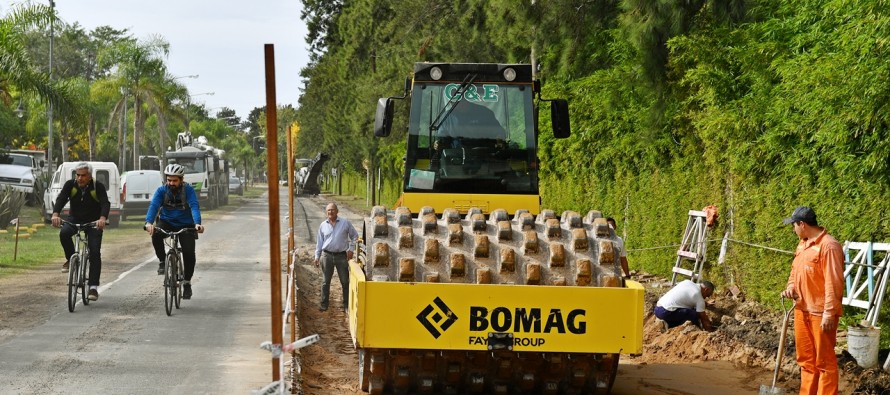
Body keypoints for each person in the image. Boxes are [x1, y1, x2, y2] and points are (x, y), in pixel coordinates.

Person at [780, 206, 844, 395]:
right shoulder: (802, 244)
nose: (793, 229)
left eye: (794, 225)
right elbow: (795, 272)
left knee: (824, 363)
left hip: (820, 313)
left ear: (802, 224)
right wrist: (791, 287)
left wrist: (829, 313)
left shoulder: (829, 246)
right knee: (806, 361)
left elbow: (834, 282)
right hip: (801, 310)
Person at [144, 164, 205, 300]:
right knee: (155, 234)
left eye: (174, 180)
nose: (171, 183)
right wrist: (148, 222)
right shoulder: (161, 191)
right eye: (169, 180)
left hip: (186, 224)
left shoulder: (188, 190)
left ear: (181, 179)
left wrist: (197, 223)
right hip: (167, 222)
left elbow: (194, 206)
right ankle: (162, 261)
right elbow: (154, 206)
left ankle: (187, 282)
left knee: (189, 252)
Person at [52, 162, 110, 301]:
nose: (80, 178)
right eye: (78, 175)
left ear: (89, 176)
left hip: (93, 222)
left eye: (83, 175)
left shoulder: (97, 186)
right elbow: (61, 199)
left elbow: (104, 203)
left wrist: (102, 218)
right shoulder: (70, 185)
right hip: (74, 219)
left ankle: (93, 287)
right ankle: (71, 259)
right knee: (64, 233)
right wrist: (55, 214)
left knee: (95, 251)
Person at [314, 202, 358, 312]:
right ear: (326, 212)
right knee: (325, 282)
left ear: (337, 211)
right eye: (328, 210)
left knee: (345, 281)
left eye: (333, 210)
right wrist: (317, 256)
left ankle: (346, 305)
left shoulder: (345, 223)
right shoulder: (323, 225)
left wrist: (351, 249)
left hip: (341, 256)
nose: (331, 212)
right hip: (326, 255)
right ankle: (324, 304)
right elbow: (319, 242)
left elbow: (355, 236)